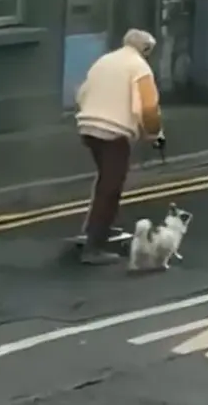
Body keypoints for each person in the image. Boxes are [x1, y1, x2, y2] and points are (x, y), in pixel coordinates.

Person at [74, 29, 164, 265]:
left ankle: (94, 228)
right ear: (145, 49)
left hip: (88, 127)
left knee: (105, 180)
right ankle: (94, 247)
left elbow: (81, 93)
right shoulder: (140, 68)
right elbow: (148, 108)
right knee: (111, 188)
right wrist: (155, 134)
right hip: (113, 132)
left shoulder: (104, 61)